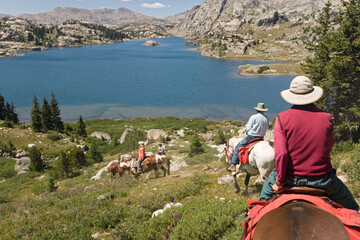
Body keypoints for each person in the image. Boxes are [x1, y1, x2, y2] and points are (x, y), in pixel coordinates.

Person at [259, 76, 359, 211]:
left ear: (291, 95)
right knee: (353, 209)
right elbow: (329, 145)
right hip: (323, 180)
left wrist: (280, 181)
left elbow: (282, 154)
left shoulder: (282, 118)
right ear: (312, 95)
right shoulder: (326, 117)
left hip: (289, 179)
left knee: (258, 208)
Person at [227, 102, 269, 172]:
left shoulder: (254, 117)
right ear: (263, 110)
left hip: (252, 137)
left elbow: (248, 128)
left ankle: (233, 164)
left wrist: (247, 132)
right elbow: (266, 127)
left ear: (257, 109)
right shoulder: (266, 118)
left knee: (238, 147)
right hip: (261, 138)